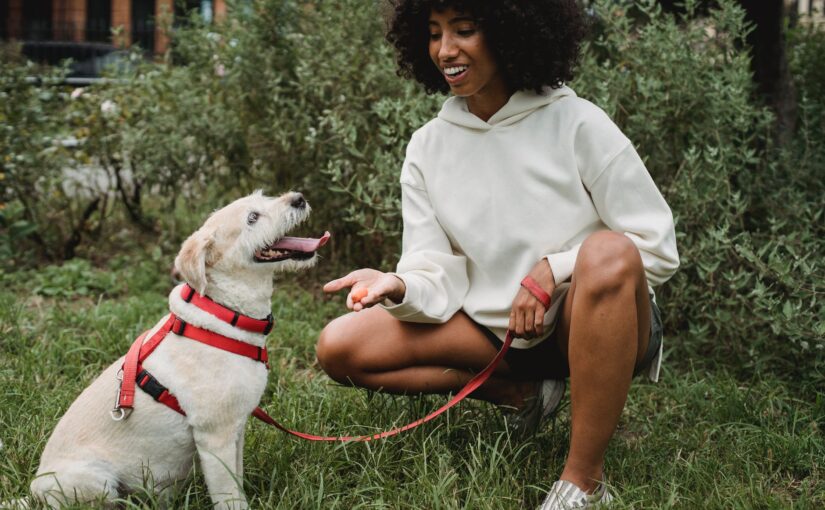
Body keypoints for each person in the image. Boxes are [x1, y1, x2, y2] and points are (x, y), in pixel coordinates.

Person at [315, 0, 679, 508]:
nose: (446, 50)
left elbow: (654, 246)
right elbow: (434, 269)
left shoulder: (578, 122)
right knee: (339, 347)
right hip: (497, 333)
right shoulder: (427, 147)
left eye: (464, 30)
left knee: (608, 252)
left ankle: (583, 481)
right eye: (434, 33)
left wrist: (554, 270)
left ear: (511, 33)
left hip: (592, 321)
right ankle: (523, 395)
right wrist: (398, 284)